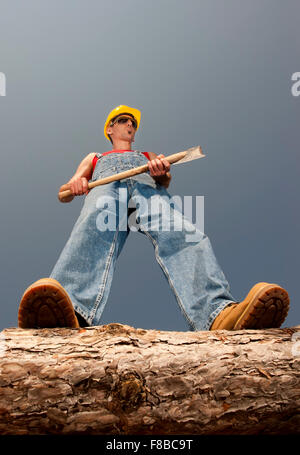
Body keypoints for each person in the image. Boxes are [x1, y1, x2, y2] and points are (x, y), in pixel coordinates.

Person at [18, 105, 290, 331]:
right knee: (91, 229)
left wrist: (162, 173)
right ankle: (69, 311)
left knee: (181, 233)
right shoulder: (96, 156)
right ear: (109, 129)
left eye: (132, 123)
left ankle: (217, 314)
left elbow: (166, 180)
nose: (129, 125)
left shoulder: (147, 155)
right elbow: (67, 189)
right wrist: (76, 184)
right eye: (122, 120)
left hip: (147, 188)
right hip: (106, 186)